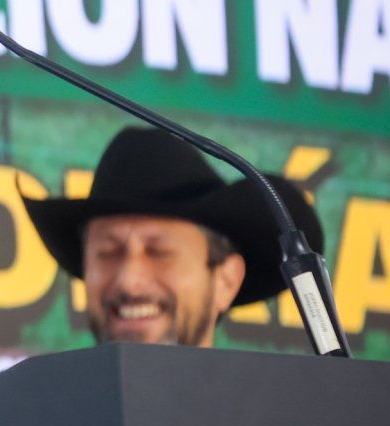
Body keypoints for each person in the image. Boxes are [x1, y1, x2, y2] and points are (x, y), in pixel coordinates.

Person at [21, 126, 325, 348]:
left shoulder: (274, 418)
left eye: (159, 252)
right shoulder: (37, 417)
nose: (129, 281)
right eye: (108, 252)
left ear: (226, 281)